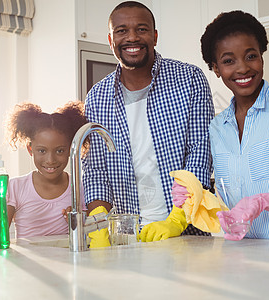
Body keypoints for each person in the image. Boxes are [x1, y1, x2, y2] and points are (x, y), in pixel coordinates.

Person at [177, 10, 269, 241]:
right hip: (244, 254)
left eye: (250, 56)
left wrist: (265, 201)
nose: (243, 68)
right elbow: (225, 195)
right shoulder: (217, 127)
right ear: (216, 69)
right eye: (228, 61)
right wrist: (193, 197)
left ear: (261, 57)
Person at [83, 1, 214, 242]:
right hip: (127, 237)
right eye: (121, 31)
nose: (132, 37)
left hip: (187, 233)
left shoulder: (189, 79)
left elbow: (200, 152)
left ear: (154, 36)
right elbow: (95, 170)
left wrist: (178, 218)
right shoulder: (97, 97)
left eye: (141, 29)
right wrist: (99, 224)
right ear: (111, 40)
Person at [0, 101, 87, 243]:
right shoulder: (15, 187)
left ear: (70, 149)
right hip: (26, 262)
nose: (50, 160)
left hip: (65, 262)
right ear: (30, 149)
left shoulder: (79, 188)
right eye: (42, 151)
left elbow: (88, 235)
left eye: (60, 151)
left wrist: (76, 224)